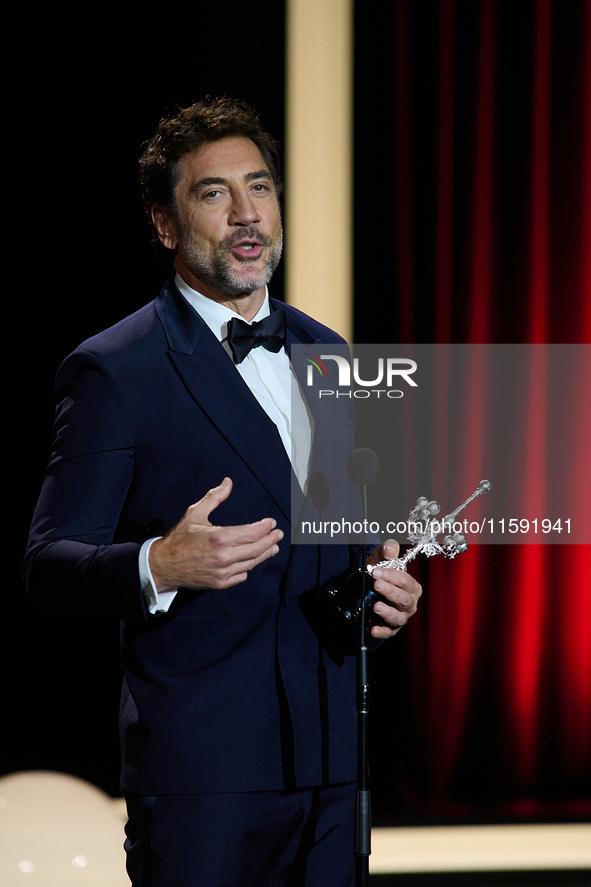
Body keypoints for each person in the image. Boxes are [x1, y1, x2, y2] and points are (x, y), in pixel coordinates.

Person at [23, 98, 422, 887]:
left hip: (335, 761)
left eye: (260, 187)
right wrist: (157, 565)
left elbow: (345, 538)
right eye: (213, 194)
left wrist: (387, 584)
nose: (246, 214)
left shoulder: (326, 350)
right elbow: (46, 566)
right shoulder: (115, 368)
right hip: (204, 777)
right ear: (166, 226)